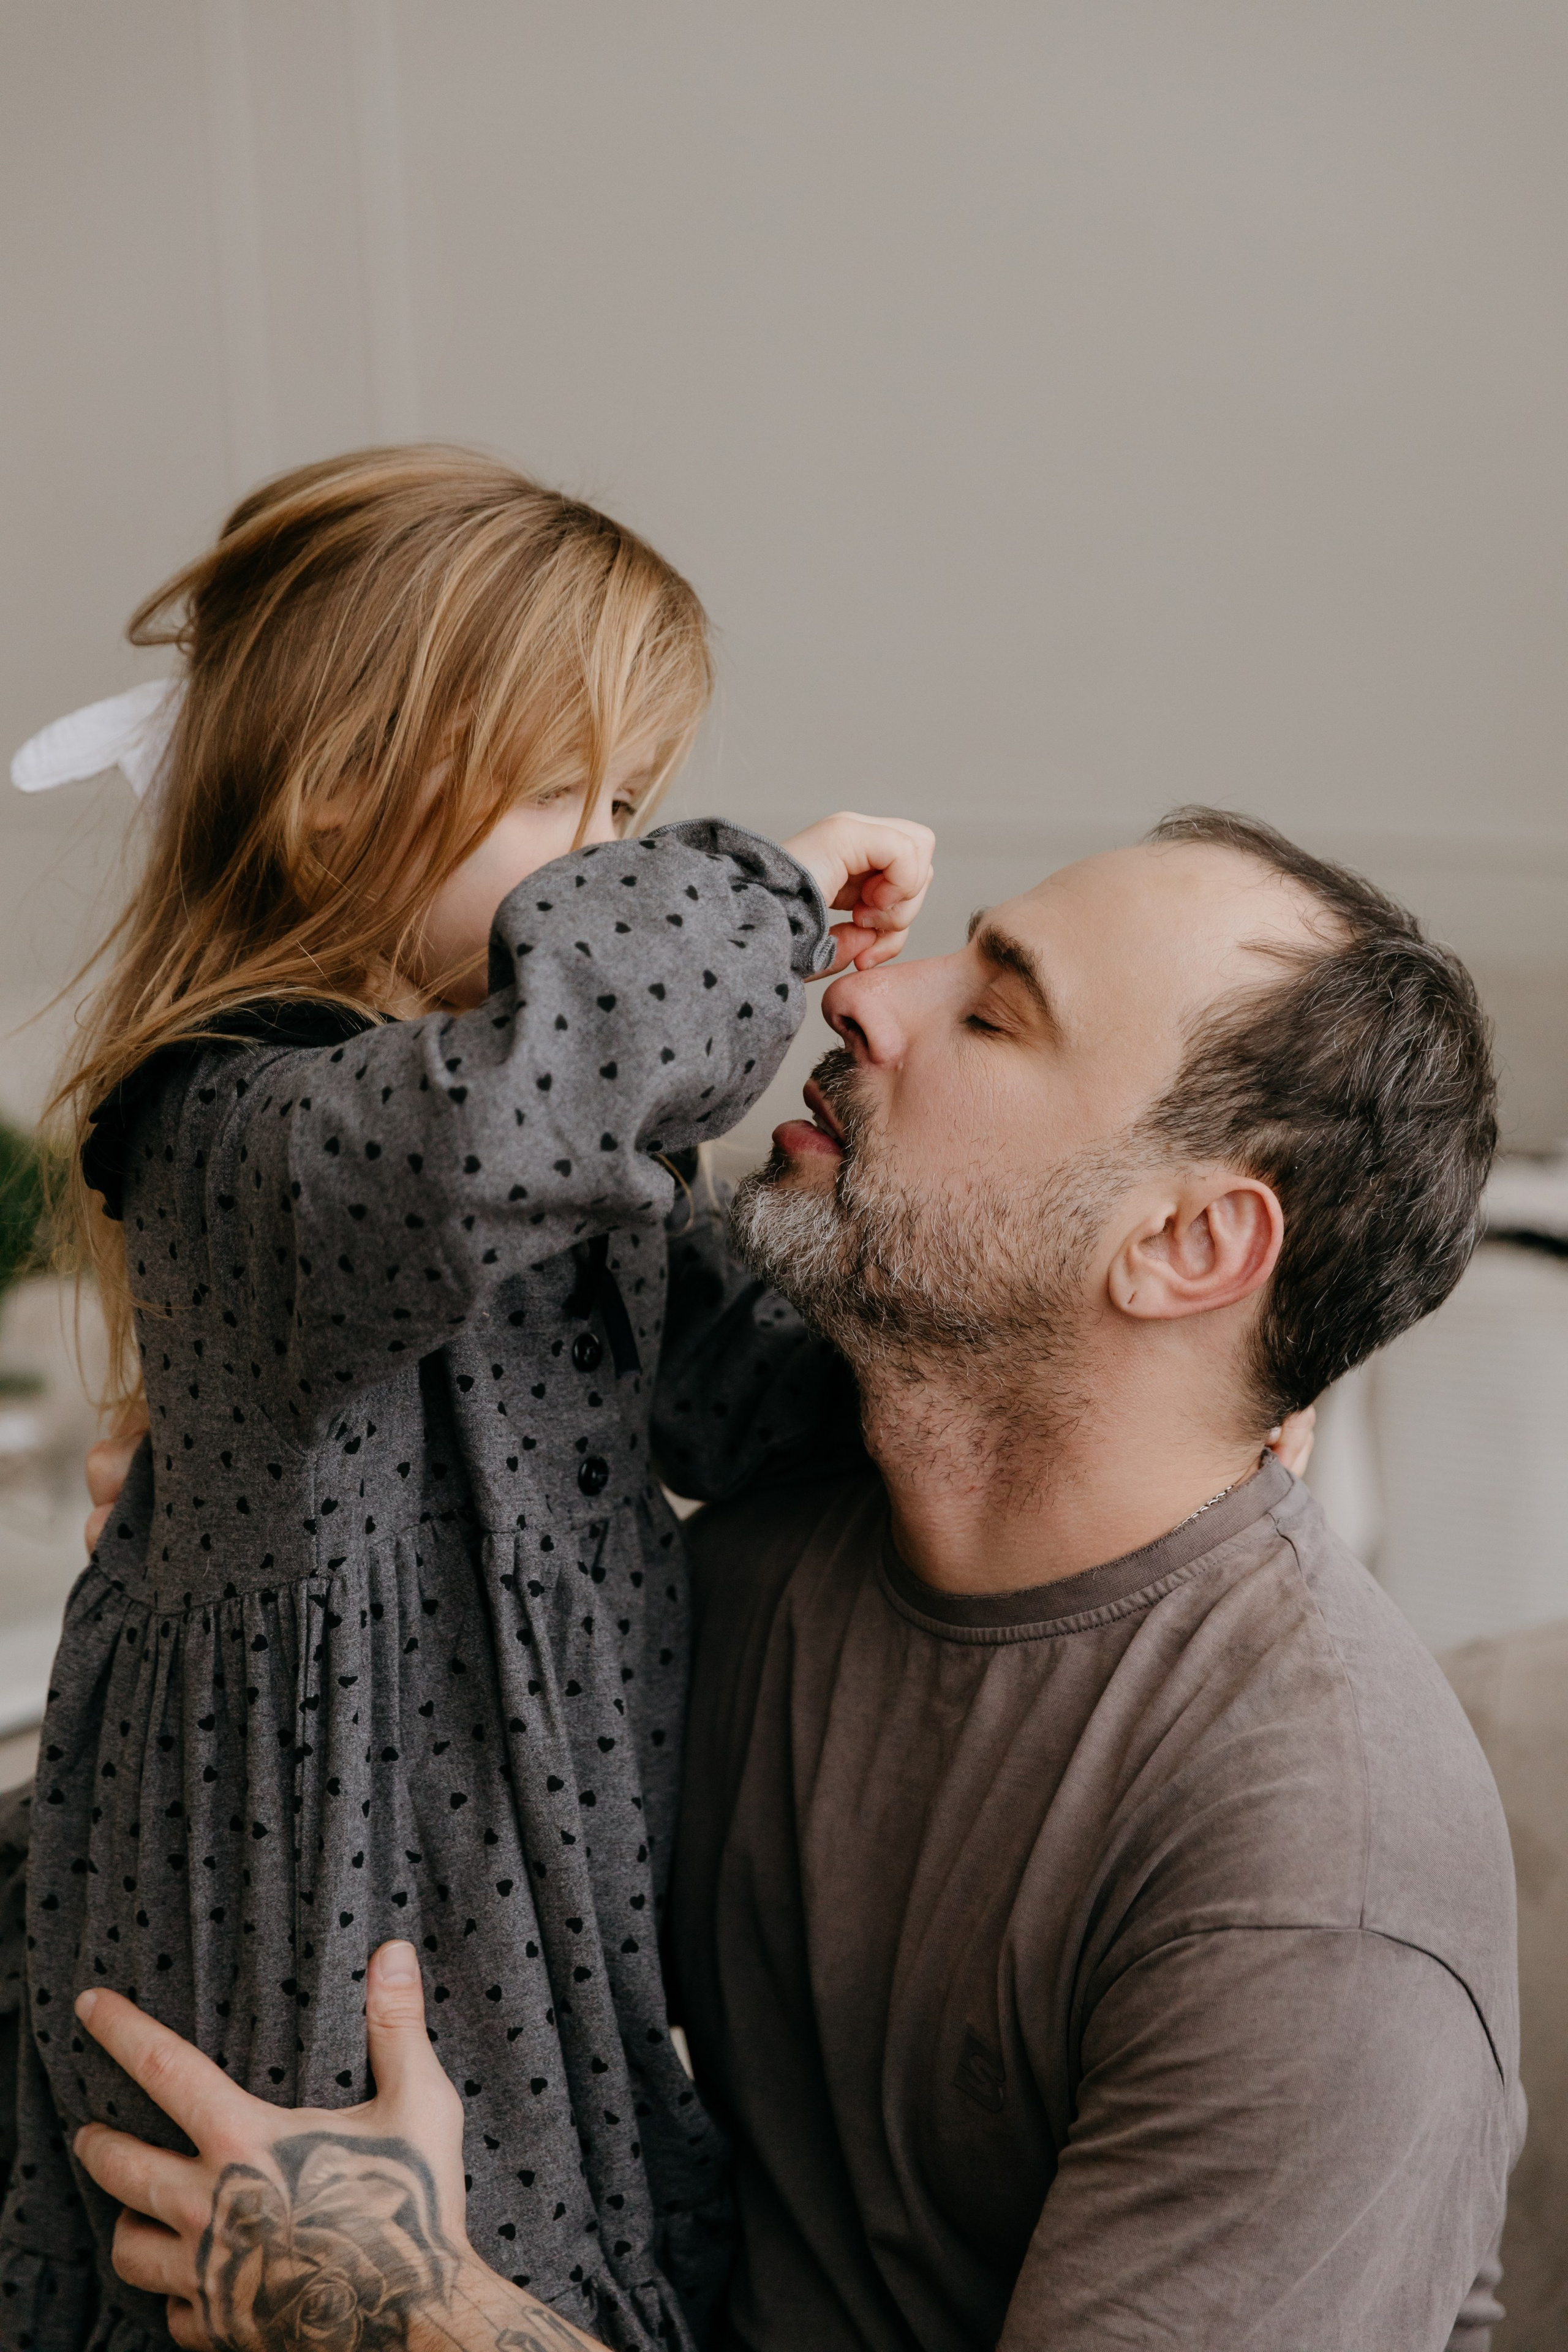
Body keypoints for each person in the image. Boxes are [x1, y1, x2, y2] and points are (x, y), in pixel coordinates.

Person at [51, 809, 1515, 2352]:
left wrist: (413, 2312)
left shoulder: (1318, 1892)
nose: (856, 992)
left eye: (995, 1015)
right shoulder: (772, 1564)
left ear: (1188, 1245)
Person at [0, 443, 936, 2352]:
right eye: (564, 798)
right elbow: (503, 1121)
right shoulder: (245, 1124)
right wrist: (757, 889)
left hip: (530, 1904)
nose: (608, 862)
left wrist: (1180, 1375)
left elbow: (749, 1403)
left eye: (635, 810)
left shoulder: (536, 1150)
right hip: (315, 1920)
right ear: (341, 788)